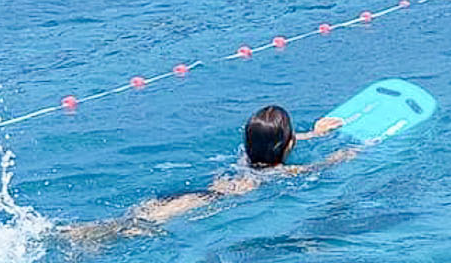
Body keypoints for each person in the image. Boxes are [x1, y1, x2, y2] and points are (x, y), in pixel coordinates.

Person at [61, 104, 348, 246]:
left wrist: (316, 132)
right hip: (213, 202)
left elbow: (276, 143)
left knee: (138, 218)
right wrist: (343, 155)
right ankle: (92, 238)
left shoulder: (244, 159)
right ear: (288, 145)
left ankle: (83, 233)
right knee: (139, 227)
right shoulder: (283, 173)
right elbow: (315, 169)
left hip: (203, 191)